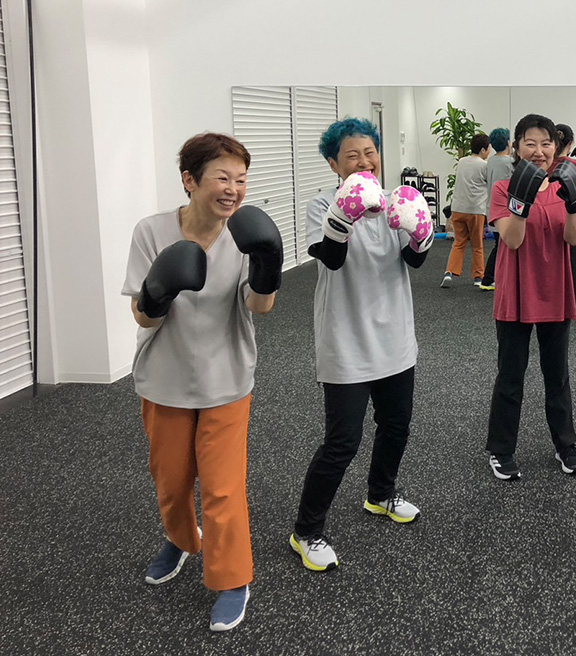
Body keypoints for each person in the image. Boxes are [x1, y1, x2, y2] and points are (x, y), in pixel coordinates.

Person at [122, 132, 281, 631]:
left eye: (241, 180)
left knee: (223, 488)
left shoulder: (243, 236)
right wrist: (158, 290)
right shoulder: (151, 231)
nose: (233, 190)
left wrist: (269, 267)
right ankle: (181, 539)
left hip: (226, 377)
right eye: (222, 178)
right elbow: (142, 317)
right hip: (164, 377)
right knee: (171, 482)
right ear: (190, 180)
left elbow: (259, 307)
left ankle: (233, 578)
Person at [291, 117, 434, 572]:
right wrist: (343, 215)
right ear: (334, 164)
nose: (364, 161)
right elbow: (330, 259)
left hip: (395, 336)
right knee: (342, 442)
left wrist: (421, 233)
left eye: (370, 152)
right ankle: (306, 531)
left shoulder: (396, 201)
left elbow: (414, 261)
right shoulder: (321, 205)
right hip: (347, 340)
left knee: (396, 426)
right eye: (352, 155)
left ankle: (380, 494)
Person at [485, 113, 576, 480]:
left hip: (555, 291)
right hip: (516, 292)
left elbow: (574, 238)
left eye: (546, 143)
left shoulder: (564, 186)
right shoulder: (502, 189)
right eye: (530, 143)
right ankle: (501, 449)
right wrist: (521, 200)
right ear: (517, 147)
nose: (539, 151)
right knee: (511, 375)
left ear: (556, 148)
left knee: (557, 375)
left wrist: (573, 204)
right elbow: (512, 240)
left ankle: (566, 444)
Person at [441, 133, 490, 288]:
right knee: (477, 245)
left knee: (459, 243)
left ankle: (449, 272)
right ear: (483, 150)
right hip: (475, 210)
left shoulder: (462, 162)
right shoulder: (485, 165)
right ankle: (478, 277)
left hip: (458, 209)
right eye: (488, 148)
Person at [552, 123, 576, 311]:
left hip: (548, 215)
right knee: (571, 258)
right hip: (569, 215)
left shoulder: (545, 163)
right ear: (571, 142)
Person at [480, 128, 513, 291]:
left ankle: (493, 278)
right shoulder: (510, 163)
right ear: (508, 143)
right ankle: (488, 278)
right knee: (502, 246)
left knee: (499, 244)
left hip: (492, 207)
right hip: (505, 210)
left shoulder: (491, 161)